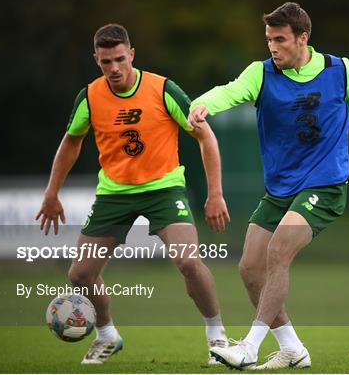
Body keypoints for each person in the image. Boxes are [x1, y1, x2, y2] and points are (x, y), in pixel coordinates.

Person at [188, 2, 349, 370]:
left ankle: (250, 347)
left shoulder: (338, 69)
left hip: (326, 184)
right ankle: (293, 349)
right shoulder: (261, 73)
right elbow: (229, 91)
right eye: (269, 39)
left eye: (280, 39)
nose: (272, 47)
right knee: (250, 268)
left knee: (278, 252)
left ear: (303, 39)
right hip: (281, 190)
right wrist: (202, 105)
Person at [36, 24, 230, 365]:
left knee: (188, 261)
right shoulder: (90, 97)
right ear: (96, 59)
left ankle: (217, 337)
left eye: (120, 60)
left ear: (132, 55)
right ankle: (108, 336)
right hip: (115, 194)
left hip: (164, 189)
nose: (114, 68)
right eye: (106, 61)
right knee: (80, 275)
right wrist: (52, 193)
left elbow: (206, 137)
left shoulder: (162, 89)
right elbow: (71, 141)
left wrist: (215, 193)